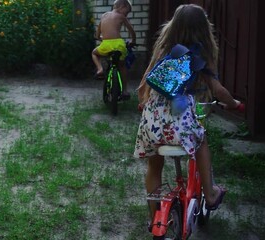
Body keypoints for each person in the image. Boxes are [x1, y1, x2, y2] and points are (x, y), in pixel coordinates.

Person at [133, 4, 243, 221]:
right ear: (204, 29)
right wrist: (234, 104)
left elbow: (144, 83)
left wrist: (144, 102)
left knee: (154, 165)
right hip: (179, 124)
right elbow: (218, 90)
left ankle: (156, 216)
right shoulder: (199, 54)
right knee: (201, 142)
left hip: (152, 123)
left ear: (173, 26)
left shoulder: (164, 50)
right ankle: (210, 194)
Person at [91, 0, 136, 98]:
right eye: (127, 11)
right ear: (122, 6)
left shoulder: (104, 16)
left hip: (106, 44)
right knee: (122, 66)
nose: (127, 14)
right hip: (119, 44)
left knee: (94, 53)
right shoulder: (121, 17)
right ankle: (124, 90)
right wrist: (133, 41)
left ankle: (99, 69)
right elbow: (132, 31)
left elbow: (98, 34)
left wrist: (102, 38)